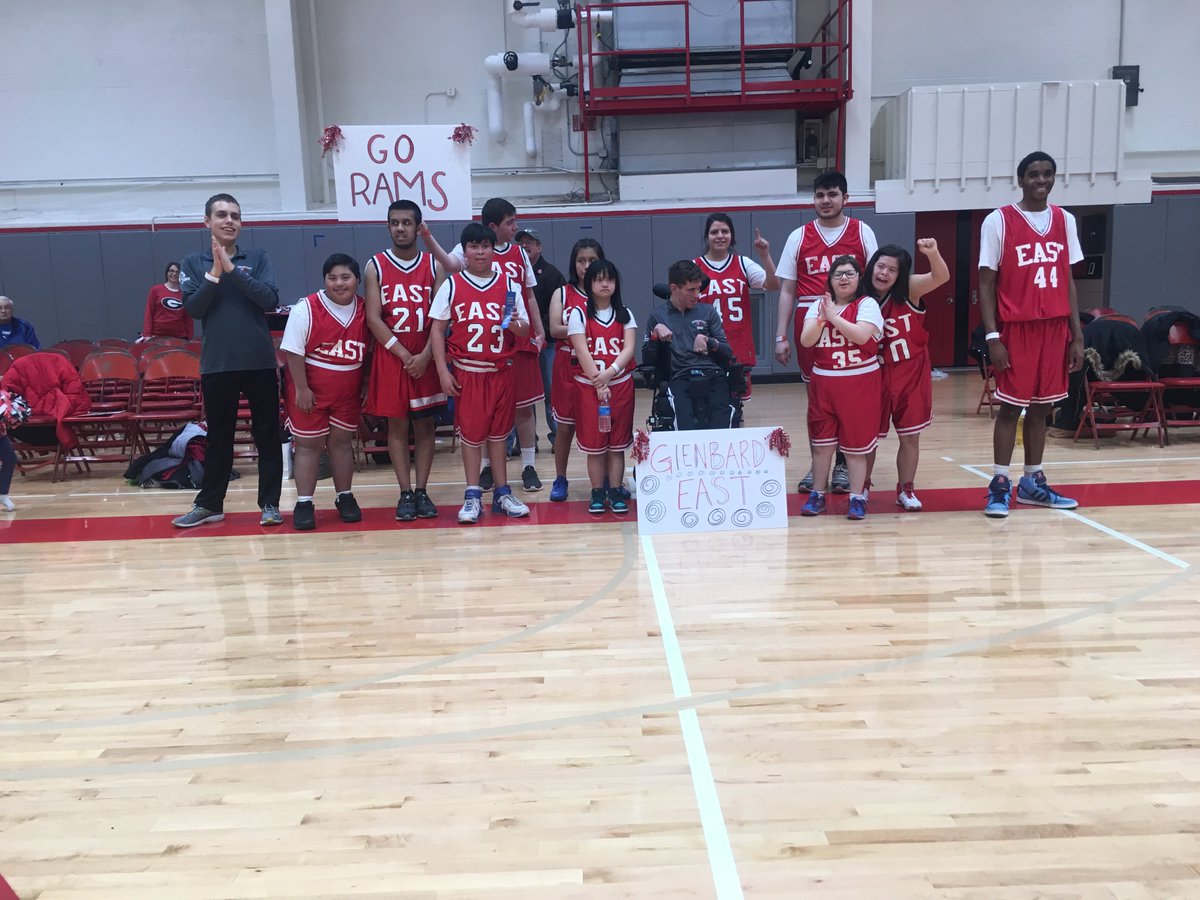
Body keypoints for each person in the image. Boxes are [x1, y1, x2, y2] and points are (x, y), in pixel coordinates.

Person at [978, 151, 1084, 517]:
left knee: (1043, 408)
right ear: (1021, 179)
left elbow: (1068, 280)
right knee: (1010, 408)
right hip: (1017, 327)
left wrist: (1077, 335)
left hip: (1055, 327)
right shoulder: (998, 221)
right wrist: (993, 337)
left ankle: (1032, 481)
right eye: (1034, 174)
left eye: (1048, 174)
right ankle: (999, 483)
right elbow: (986, 283)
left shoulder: (1064, 220)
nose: (1042, 180)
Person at [172, 193, 284, 528]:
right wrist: (214, 273)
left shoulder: (258, 257)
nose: (229, 221)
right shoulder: (194, 261)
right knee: (219, 437)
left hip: (260, 362)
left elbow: (269, 299)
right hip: (218, 365)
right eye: (221, 215)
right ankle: (210, 505)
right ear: (207, 221)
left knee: (267, 436)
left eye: (235, 215)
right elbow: (193, 309)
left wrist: (233, 270)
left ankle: (270, 504)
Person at [773, 170, 878, 494]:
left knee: (852, 399)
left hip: (853, 318)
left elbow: (876, 282)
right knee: (818, 398)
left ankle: (845, 464)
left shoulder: (862, 231)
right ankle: (820, 460)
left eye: (832, 194)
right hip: (813, 319)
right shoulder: (798, 236)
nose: (826, 200)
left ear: (846, 198)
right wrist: (780, 336)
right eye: (820, 195)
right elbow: (787, 289)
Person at [442, 198, 547, 494]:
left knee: (524, 409)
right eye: (510, 222)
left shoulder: (518, 254)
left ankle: (528, 465)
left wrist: (537, 331)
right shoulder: (471, 256)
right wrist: (427, 237)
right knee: (487, 415)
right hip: (483, 347)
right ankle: (487, 469)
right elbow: (448, 264)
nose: (515, 227)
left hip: (514, 334)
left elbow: (527, 298)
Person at [430, 223, 531, 525]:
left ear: (492, 249)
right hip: (468, 372)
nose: (480, 252)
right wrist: (442, 372)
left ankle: (502, 492)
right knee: (472, 438)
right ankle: (473, 494)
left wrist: (515, 325)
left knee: (499, 436)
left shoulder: (510, 285)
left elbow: (524, 329)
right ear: (465, 251)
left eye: (485, 246)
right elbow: (436, 330)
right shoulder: (452, 284)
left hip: (501, 371)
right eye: (473, 247)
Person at [363, 199, 448, 522]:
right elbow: (373, 318)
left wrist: (426, 355)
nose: (400, 228)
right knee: (396, 426)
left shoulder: (433, 265)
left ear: (418, 227)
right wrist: (405, 355)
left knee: (425, 425)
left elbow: (441, 317)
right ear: (388, 227)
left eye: (407, 222)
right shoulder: (375, 265)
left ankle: (423, 490)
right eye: (395, 222)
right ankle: (405, 493)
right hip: (393, 353)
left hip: (425, 349)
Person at [280, 254, 367, 531]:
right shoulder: (306, 307)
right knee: (309, 446)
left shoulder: (366, 310)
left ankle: (344, 496)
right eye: (333, 278)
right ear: (324, 281)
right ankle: (304, 501)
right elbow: (293, 351)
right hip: (311, 390)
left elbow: (371, 352)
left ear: (357, 280)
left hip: (347, 391)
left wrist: (365, 384)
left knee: (341, 444)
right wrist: (302, 388)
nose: (339, 283)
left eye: (346, 277)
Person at [863, 240, 950, 510]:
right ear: (871, 266)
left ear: (901, 275)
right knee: (867, 437)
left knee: (910, 436)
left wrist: (933, 253)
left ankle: (906, 489)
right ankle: (861, 487)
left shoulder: (910, 290)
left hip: (910, 373)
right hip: (872, 373)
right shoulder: (859, 293)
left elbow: (941, 276)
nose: (884, 273)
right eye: (880, 266)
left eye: (892, 269)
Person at [798, 256, 884, 521]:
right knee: (822, 445)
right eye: (838, 274)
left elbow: (861, 336)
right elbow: (806, 340)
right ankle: (817, 494)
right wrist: (824, 318)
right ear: (830, 280)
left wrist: (833, 317)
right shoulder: (818, 305)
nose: (844, 278)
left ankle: (857, 497)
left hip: (858, 382)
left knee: (855, 447)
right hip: (824, 382)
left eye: (849, 273)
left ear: (859, 278)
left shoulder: (867, 304)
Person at [568, 259, 637, 514]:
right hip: (588, 386)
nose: (605, 283)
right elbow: (581, 350)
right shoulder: (577, 313)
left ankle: (615, 489)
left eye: (609, 279)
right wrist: (598, 382)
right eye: (599, 279)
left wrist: (608, 374)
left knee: (617, 444)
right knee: (596, 446)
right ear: (589, 283)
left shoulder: (625, 313)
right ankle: (597, 490)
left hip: (619, 384)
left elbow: (628, 349)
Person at [643, 259, 735, 430]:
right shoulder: (658, 316)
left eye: (699, 288)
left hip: (713, 374)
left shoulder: (708, 311)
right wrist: (655, 335)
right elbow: (647, 360)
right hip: (679, 376)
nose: (697, 295)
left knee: (721, 423)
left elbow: (727, 352)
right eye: (691, 290)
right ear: (674, 289)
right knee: (683, 425)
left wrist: (709, 341)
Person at [694, 213, 780, 397]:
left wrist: (765, 256)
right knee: (708, 403)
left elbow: (773, 285)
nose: (719, 236)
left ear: (731, 236)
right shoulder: (695, 267)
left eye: (725, 231)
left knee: (738, 406)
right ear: (706, 236)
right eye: (714, 232)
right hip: (707, 348)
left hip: (738, 347)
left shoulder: (743, 263)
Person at [546, 238, 604, 502]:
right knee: (565, 427)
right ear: (574, 263)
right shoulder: (563, 292)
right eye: (582, 260)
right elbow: (554, 329)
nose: (586, 265)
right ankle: (560, 478)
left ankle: (606, 481)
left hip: (600, 367)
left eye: (592, 260)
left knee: (603, 424)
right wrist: (581, 329)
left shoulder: (606, 291)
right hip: (568, 366)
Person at [516, 227, 565, 447]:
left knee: (550, 391)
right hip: (521, 342)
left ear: (540, 246)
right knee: (524, 394)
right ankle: (526, 441)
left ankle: (557, 437)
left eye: (530, 242)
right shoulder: (513, 273)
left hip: (547, 344)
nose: (525, 246)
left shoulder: (553, 274)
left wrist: (540, 332)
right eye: (522, 242)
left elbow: (560, 309)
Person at [141, 262, 192, 340]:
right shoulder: (155, 290)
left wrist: (189, 338)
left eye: (177, 272)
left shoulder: (185, 293)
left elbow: (188, 318)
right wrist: (147, 334)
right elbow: (149, 313)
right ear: (166, 273)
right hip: (157, 336)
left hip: (179, 337)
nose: (174, 273)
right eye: (171, 271)